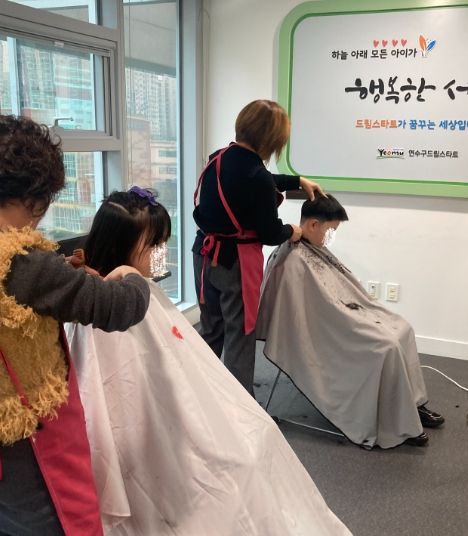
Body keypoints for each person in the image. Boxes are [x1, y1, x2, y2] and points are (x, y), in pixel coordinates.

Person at [0, 116, 151, 535]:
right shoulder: (18, 262)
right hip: (26, 457)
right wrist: (132, 275)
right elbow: (120, 308)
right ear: (32, 197)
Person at [68, 188, 351, 536]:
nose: (161, 255)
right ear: (119, 246)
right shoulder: (108, 308)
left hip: (186, 411)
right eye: (154, 246)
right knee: (239, 466)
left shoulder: (137, 288)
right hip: (158, 438)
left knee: (260, 433)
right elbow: (123, 400)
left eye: (162, 244)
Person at [257, 195, 444, 449]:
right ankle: (398, 422)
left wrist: (362, 312)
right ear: (313, 225)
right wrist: (355, 320)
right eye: (330, 231)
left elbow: (341, 293)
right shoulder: (292, 259)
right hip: (328, 329)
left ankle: (412, 405)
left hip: (344, 316)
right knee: (387, 346)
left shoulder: (313, 248)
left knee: (403, 329)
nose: (330, 238)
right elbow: (311, 314)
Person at [192, 99, 324, 394]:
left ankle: (201, 395)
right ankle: (241, 406)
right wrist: (292, 231)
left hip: (203, 255)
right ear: (272, 139)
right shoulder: (257, 177)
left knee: (211, 328)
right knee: (240, 334)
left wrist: (296, 181)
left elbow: (254, 180)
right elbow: (269, 232)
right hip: (234, 265)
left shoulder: (218, 158)